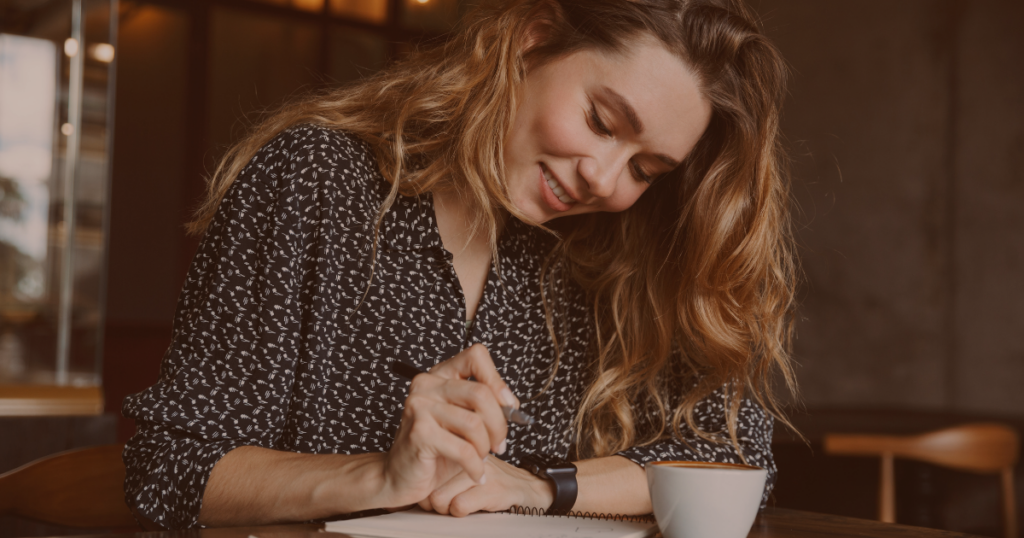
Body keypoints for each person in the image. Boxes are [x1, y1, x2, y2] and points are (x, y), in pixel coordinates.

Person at [122, 0, 797, 530]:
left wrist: (538, 488)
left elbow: (734, 459)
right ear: (532, 39)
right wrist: (382, 477)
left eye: (645, 170)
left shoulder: (620, 251)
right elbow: (172, 468)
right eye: (601, 121)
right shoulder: (314, 181)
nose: (603, 179)